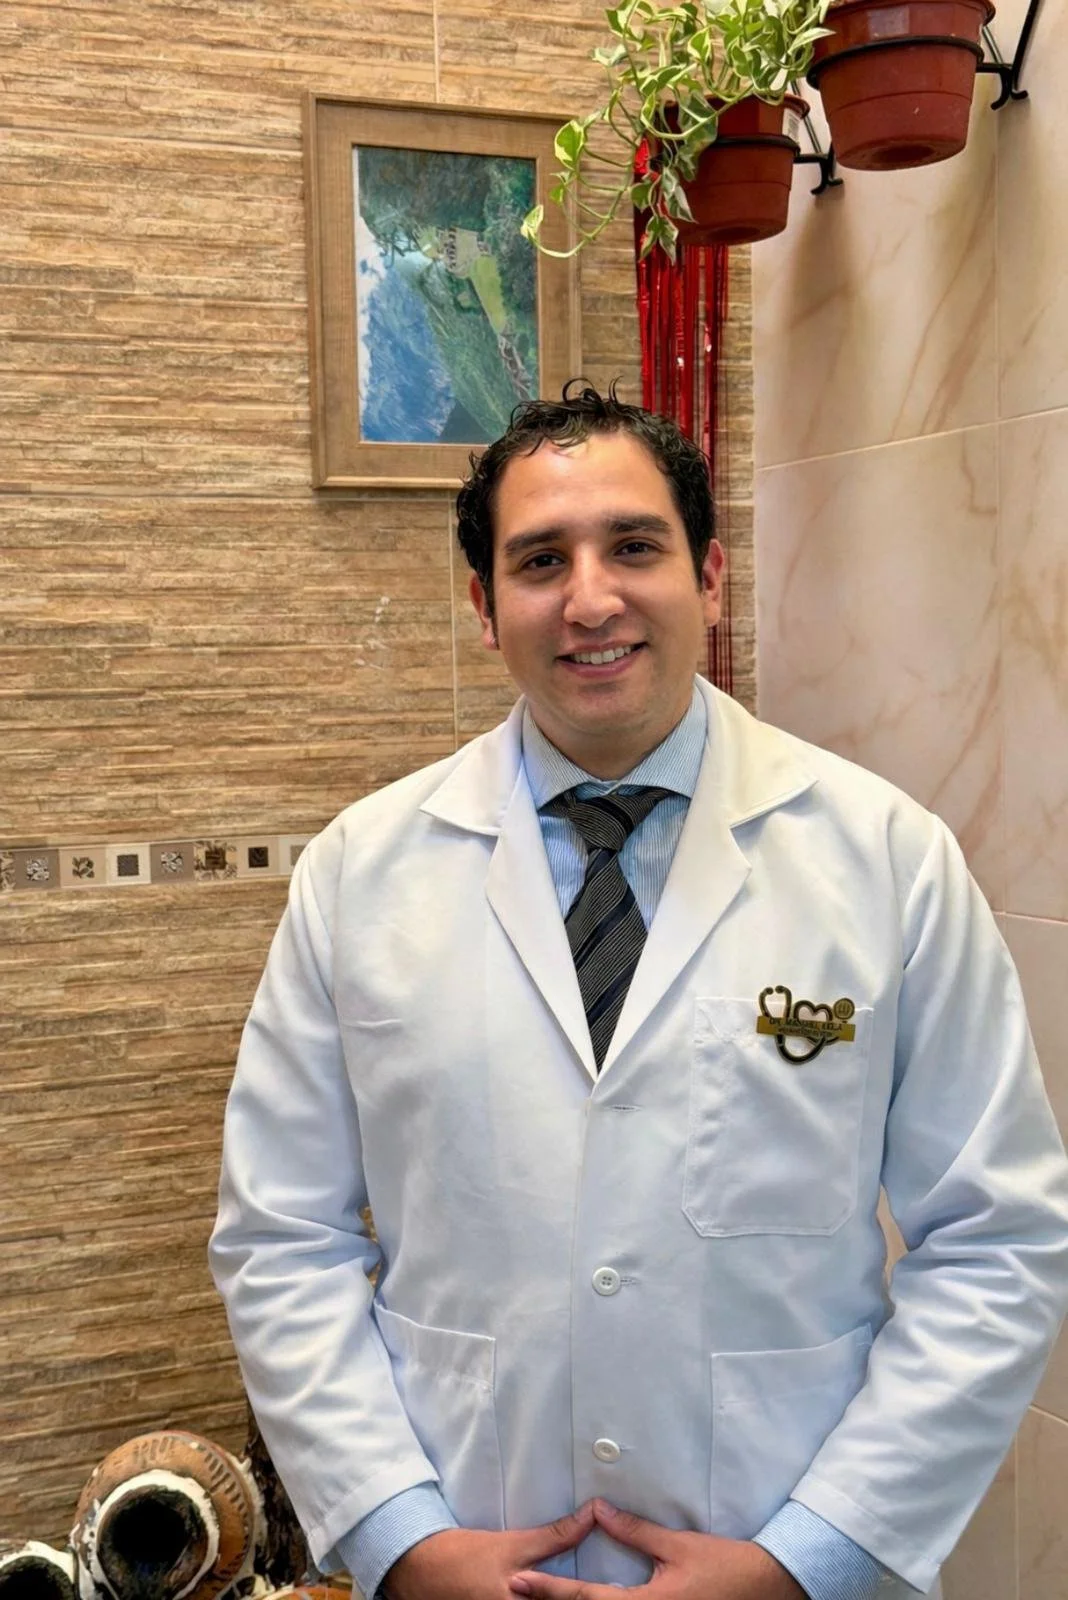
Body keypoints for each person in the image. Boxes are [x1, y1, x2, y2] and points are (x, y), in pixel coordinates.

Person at [209, 384, 1068, 1600]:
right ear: (484, 607)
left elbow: (996, 1237)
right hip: (466, 1540)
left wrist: (809, 1557)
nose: (591, 598)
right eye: (540, 560)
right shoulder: (362, 873)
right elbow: (280, 1236)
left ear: (709, 577)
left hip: (781, 1551)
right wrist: (401, 1539)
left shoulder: (885, 859)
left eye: (633, 546)